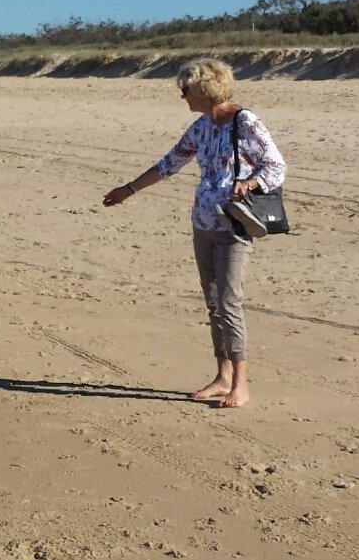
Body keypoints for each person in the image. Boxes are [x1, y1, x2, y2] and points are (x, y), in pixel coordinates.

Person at [102, 58, 285, 408]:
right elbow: (169, 163)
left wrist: (250, 182)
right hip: (203, 222)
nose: (182, 96)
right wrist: (129, 189)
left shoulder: (245, 122)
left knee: (230, 303)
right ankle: (223, 375)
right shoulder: (201, 126)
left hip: (234, 224)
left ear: (203, 89)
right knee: (214, 302)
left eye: (185, 90)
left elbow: (276, 166)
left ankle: (241, 384)